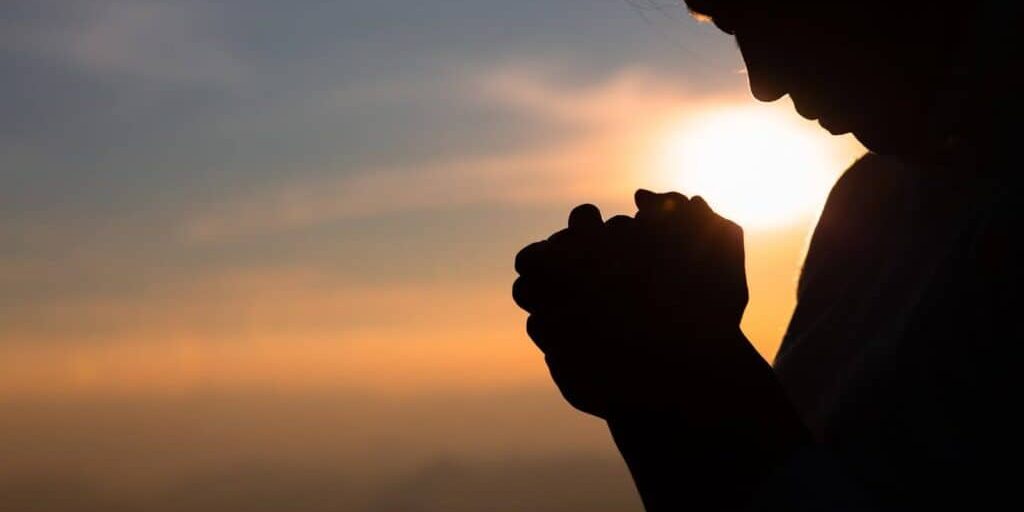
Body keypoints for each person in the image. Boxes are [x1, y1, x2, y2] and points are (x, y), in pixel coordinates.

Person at [512, 1, 1022, 510]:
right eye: (733, 26)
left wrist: (692, 365)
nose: (764, 83)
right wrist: (645, 391)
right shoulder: (869, 201)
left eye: (769, 13)